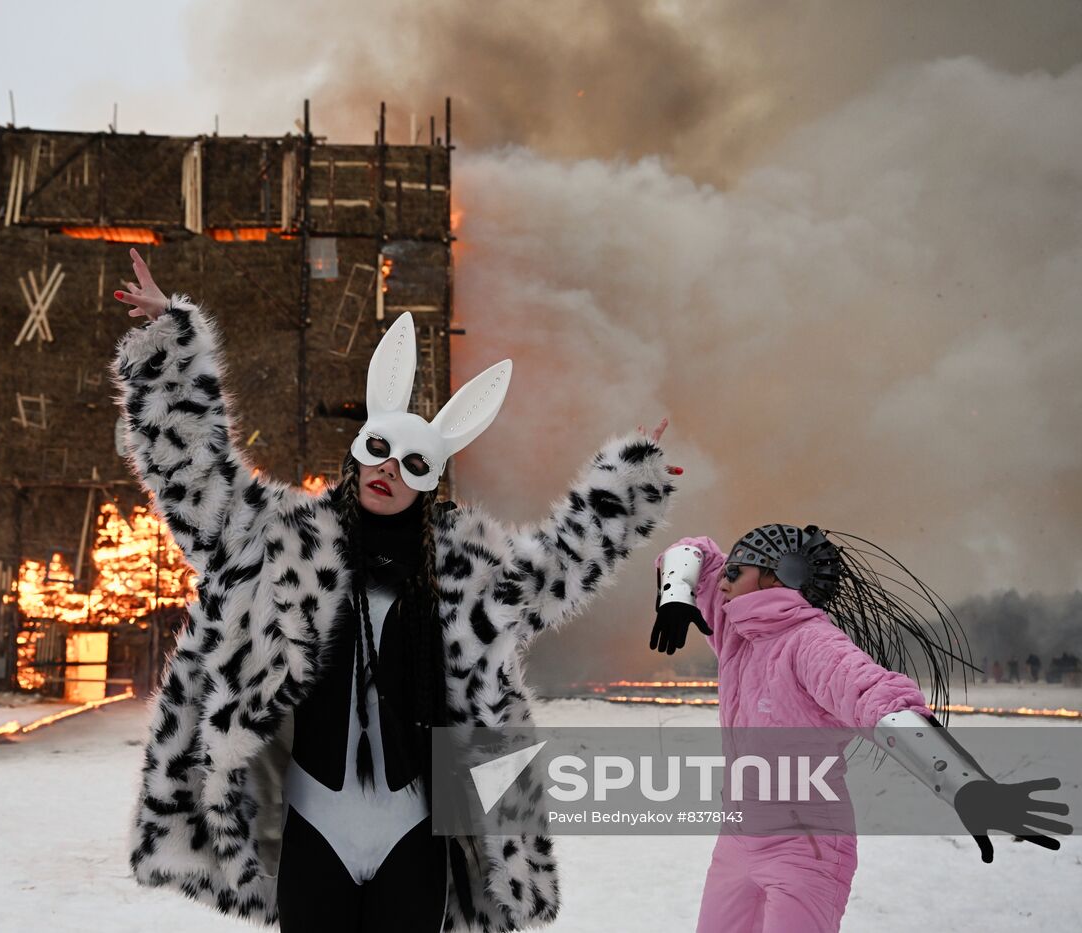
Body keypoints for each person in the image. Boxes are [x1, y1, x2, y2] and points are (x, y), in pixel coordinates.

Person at [111, 249, 680, 931]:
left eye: (412, 463)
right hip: (313, 826)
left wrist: (625, 485)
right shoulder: (279, 542)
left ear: (430, 481)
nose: (389, 469)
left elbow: (555, 568)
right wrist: (169, 348)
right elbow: (196, 477)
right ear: (358, 451)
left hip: (416, 830)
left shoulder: (467, 574)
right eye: (379, 449)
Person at [651, 525, 1072, 932]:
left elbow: (879, 701)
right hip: (737, 838)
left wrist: (965, 786)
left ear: (776, 577)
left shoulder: (814, 644)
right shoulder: (736, 634)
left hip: (806, 848)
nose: (722, 583)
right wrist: (676, 594)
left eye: (735, 571)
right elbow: (692, 552)